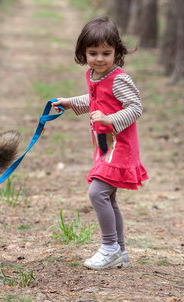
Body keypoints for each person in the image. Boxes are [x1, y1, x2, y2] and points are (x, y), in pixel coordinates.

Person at [52, 16, 149, 270]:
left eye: (106, 53)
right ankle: (121, 251)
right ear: (83, 53)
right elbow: (94, 100)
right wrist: (70, 101)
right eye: (93, 53)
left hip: (120, 145)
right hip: (105, 146)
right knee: (109, 197)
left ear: (116, 52)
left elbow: (135, 107)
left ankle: (109, 247)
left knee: (97, 192)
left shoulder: (119, 79)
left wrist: (109, 119)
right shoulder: (94, 75)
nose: (99, 58)